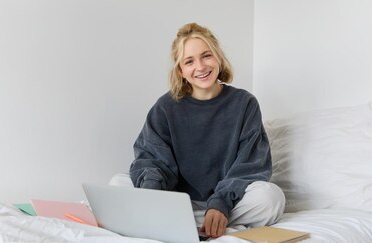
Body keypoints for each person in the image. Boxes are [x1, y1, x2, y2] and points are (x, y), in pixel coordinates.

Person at [116, 22, 285, 238]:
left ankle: (196, 219)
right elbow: (151, 159)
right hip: (174, 200)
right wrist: (152, 194)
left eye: (206, 56)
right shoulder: (164, 107)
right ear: (181, 71)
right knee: (118, 183)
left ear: (218, 57)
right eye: (189, 61)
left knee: (271, 198)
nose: (201, 67)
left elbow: (250, 166)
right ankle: (198, 220)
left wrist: (220, 203)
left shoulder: (244, 103)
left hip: (228, 201)